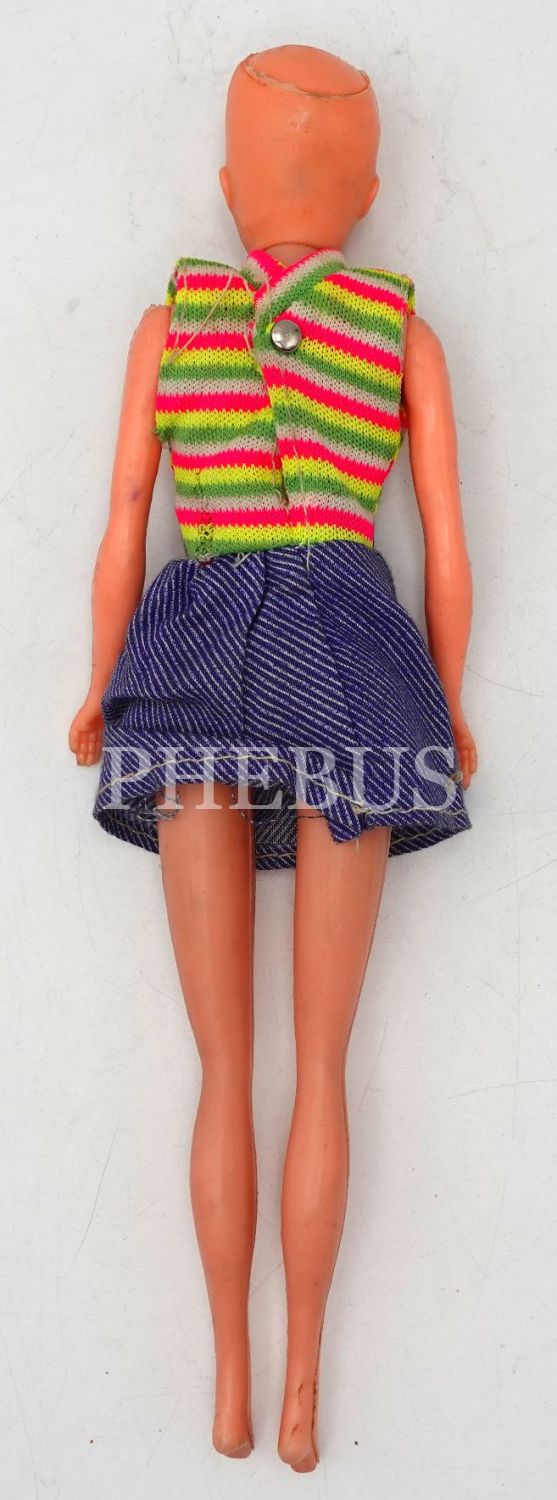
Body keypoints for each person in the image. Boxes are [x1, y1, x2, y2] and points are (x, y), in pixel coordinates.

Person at [69, 44, 477, 1471]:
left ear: (228, 183)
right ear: (366, 193)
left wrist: (100, 683)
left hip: (191, 662)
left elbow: (127, 516)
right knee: (322, 1066)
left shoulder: (169, 323)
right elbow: (445, 546)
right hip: (355, 669)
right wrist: (447, 703)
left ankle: (234, 1379)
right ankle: (300, 1376)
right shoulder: (401, 334)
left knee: (224, 1067)